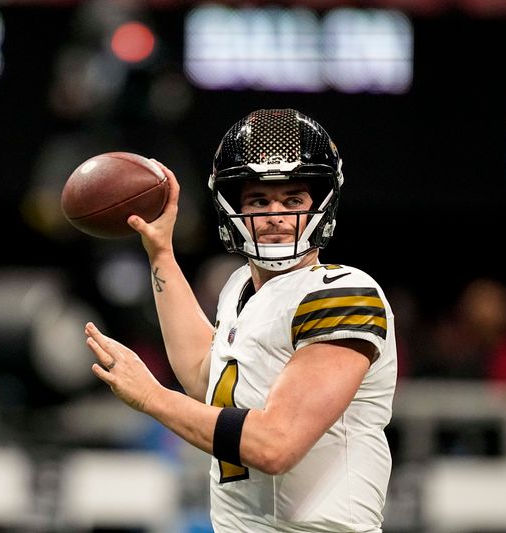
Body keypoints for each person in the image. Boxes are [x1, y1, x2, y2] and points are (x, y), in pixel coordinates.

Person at [84, 109, 397, 532]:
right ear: (232, 205)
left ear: (321, 204)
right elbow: (203, 377)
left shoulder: (342, 293)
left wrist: (153, 397)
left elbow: (275, 444)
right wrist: (160, 252)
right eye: (258, 200)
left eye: (292, 200)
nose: (275, 215)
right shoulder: (239, 289)